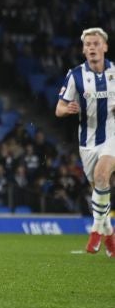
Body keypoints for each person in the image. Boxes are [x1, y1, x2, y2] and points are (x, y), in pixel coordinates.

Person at [55, 27, 115, 257]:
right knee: (99, 188)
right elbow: (58, 108)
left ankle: (95, 230)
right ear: (83, 50)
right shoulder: (75, 75)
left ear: (105, 47)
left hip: (111, 135)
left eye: (96, 43)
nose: (92, 47)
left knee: (102, 175)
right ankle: (110, 238)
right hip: (87, 142)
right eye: (88, 44)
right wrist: (68, 109)